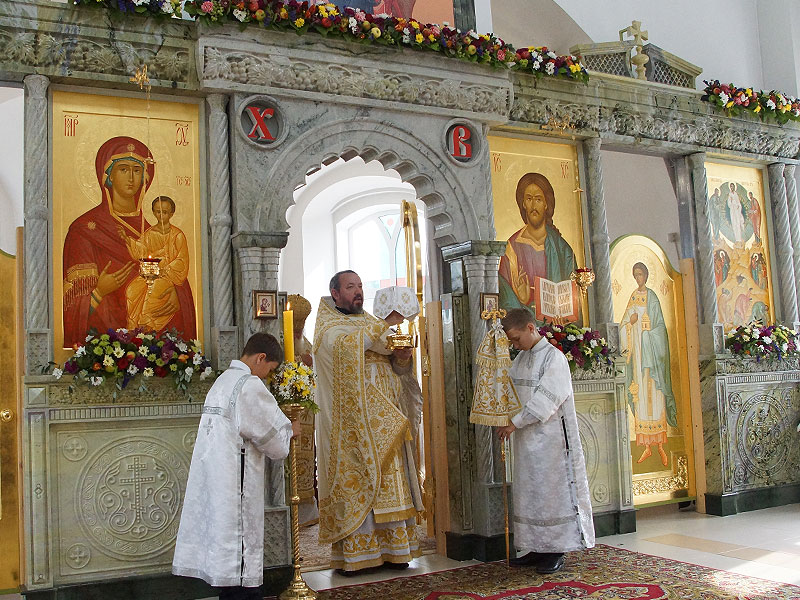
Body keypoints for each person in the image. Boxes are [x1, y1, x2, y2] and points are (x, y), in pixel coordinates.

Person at [172, 333, 301, 600]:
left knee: (229, 569)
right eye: (270, 370)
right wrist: (291, 431)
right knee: (243, 571)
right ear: (261, 358)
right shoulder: (248, 385)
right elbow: (275, 443)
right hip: (236, 490)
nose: (267, 376)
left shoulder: (222, 381)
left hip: (219, 484)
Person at [312, 271, 423, 575]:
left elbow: (397, 368)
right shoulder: (328, 327)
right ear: (335, 293)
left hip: (387, 420)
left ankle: (395, 552)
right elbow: (344, 347)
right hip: (352, 428)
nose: (358, 292)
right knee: (359, 484)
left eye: (360, 287)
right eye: (351, 287)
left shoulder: (368, 324)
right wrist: (382, 329)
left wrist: (401, 356)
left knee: (391, 482)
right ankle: (358, 556)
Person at [497, 308, 594, 574]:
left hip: (551, 442)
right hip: (526, 440)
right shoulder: (521, 359)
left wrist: (514, 423)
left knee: (551, 493)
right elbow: (510, 392)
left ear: (531, 328)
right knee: (530, 492)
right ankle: (535, 548)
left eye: (517, 338)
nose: (515, 345)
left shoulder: (555, 358)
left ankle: (555, 550)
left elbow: (546, 402)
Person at [619, 262, 677, 467]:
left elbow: (661, 327)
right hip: (638, 358)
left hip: (652, 359)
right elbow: (624, 323)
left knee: (655, 398)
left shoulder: (652, 297)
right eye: (635, 275)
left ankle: (661, 445)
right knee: (641, 398)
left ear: (647, 275)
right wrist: (631, 322)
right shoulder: (634, 296)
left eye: (641, 274)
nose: (638, 278)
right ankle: (647, 447)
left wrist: (648, 336)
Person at [498, 173, 577, 321]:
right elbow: (506, 301)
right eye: (529, 199)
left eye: (539, 199)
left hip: (559, 329)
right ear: (523, 203)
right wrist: (522, 300)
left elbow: (574, 296)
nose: (534, 206)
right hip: (525, 330)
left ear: (546, 204)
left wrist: (564, 317)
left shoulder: (562, 249)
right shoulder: (511, 248)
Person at [122, 196, 196, 334]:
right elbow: (141, 251)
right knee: (132, 290)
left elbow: (181, 260)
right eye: (157, 212)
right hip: (150, 273)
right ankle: (134, 327)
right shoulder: (150, 233)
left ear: (172, 213)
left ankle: (147, 327)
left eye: (165, 212)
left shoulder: (177, 235)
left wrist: (165, 269)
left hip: (168, 276)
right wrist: (128, 240)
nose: (161, 215)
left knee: (154, 292)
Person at [286, 293, 319, 527]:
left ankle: (307, 512)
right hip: (286, 413)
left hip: (307, 415)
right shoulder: (280, 341)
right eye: (295, 327)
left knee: (308, 462)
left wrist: (311, 361)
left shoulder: (307, 344)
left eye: (301, 327)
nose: (298, 332)